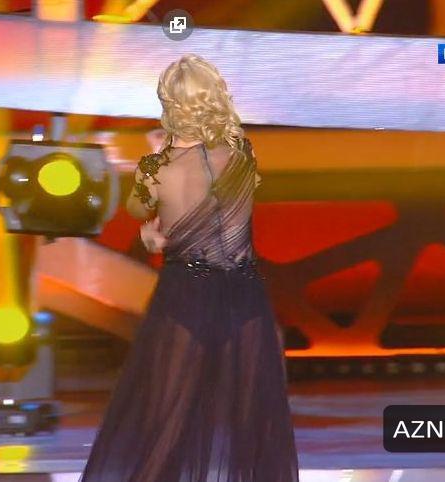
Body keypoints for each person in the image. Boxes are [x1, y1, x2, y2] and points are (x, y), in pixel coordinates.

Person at [80, 54, 299, 482]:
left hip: (186, 293)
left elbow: (139, 211)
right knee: (255, 422)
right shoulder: (240, 157)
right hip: (242, 293)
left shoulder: (156, 169)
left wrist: (152, 235)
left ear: (169, 103)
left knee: (169, 419)